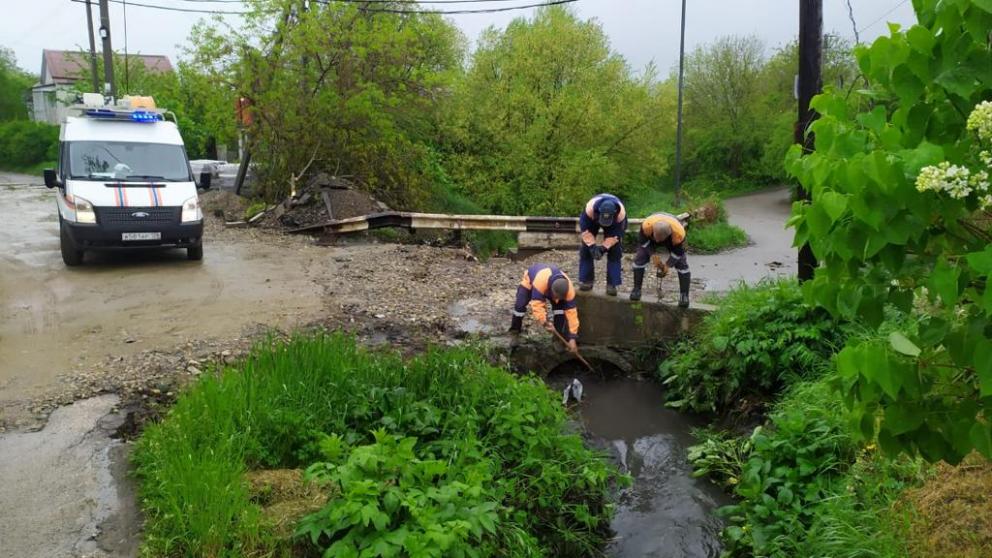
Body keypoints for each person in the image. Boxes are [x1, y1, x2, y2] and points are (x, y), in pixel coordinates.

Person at [509, 263, 580, 353]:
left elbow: (572, 314)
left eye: (560, 298)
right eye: (556, 297)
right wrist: (545, 322)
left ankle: (557, 339)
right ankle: (515, 332)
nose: (557, 300)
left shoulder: (569, 291)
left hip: (550, 287)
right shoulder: (540, 282)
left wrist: (572, 337)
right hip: (531, 281)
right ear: (551, 290)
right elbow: (537, 306)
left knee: (560, 311)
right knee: (520, 306)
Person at [630, 212, 691, 307]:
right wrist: (652, 254)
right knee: (640, 257)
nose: (657, 241)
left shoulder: (678, 234)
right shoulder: (647, 225)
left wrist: (668, 265)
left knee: (682, 263)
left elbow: (678, 251)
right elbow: (642, 240)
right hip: (650, 238)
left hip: (671, 239)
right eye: (656, 238)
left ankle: (684, 296)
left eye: (660, 239)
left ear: (668, 235)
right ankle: (636, 289)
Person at [578, 193, 627, 296]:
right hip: (592, 219)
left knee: (615, 251)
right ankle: (587, 281)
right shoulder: (589, 209)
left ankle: (612, 284)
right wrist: (592, 246)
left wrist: (603, 248)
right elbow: (586, 231)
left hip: (614, 225)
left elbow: (615, 236)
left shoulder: (620, 215)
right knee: (585, 250)